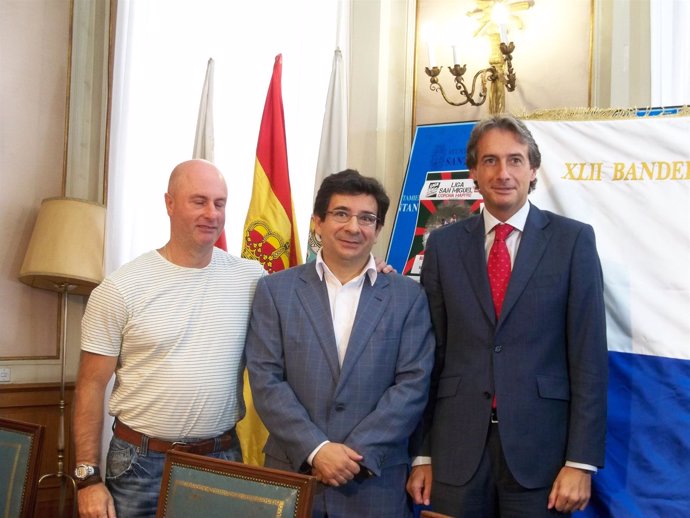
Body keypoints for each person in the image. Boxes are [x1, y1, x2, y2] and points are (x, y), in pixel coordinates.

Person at [407, 115, 608, 517]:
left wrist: (580, 462)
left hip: (542, 457)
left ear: (533, 170)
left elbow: (589, 358)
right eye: (491, 161)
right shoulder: (443, 246)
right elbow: (430, 358)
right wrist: (422, 454)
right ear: (474, 173)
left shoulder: (573, 241)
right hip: (455, 452)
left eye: (515, 160)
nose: (503, 173)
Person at [72, 159, 266, 518]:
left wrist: (369, 268)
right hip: (139, 464)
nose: (212, 213)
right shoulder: (120, 288)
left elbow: (308, 295)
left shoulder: (251, 278)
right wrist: (87, 479)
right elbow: (89, 385)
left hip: (222, 458)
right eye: (199, 201)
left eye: (219, 203)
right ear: (169, 203)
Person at [245, 169, 435, 518]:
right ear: (317, 222)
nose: (353, 227)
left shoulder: (407, 296)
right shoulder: (276, 291)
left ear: (378, 230)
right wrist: (317, 449)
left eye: (366, 218)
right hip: (294, 473)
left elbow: (413, 384)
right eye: (341, 214)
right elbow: (265, 379)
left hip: (373, 479)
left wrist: (353, 455)